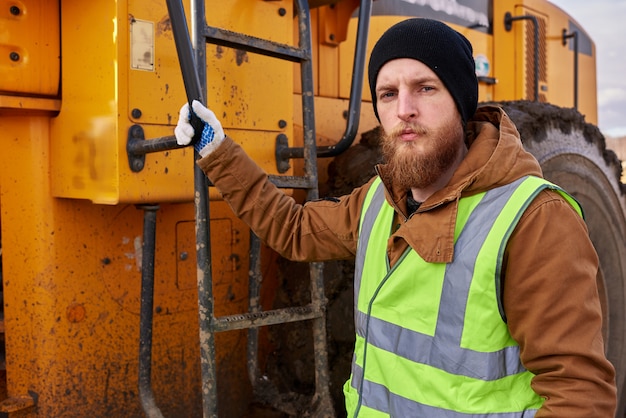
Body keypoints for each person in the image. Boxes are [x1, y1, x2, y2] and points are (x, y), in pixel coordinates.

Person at [175, 18, 616, 417]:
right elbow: (294, 230)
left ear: (461, 104)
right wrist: (217, 151)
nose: (404, 108)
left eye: (426, 88)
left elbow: (579, 395)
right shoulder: (378, 203)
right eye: (388, 94)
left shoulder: (534, 220)